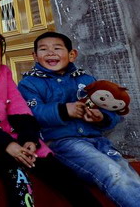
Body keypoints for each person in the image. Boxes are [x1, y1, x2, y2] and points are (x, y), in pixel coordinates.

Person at [0, 31, 100, 207]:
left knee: (57, 170)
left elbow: (17, 105)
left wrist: (29, 138)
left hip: (11, 136)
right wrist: (8, 145)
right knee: (14, 172)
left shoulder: (5, 73)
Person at [18, 31, 140, 207]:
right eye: (43, 49)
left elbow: (112, 111)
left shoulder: (86, 79)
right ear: (35, 56)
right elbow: (31, 113)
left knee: (130, 176)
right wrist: (64, 111)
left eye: (57, 48)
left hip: (99, 141)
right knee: (113, 175)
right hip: (64, 143)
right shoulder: (29, 83)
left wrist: (101, 118)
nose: (50, 53)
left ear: (72, 54)